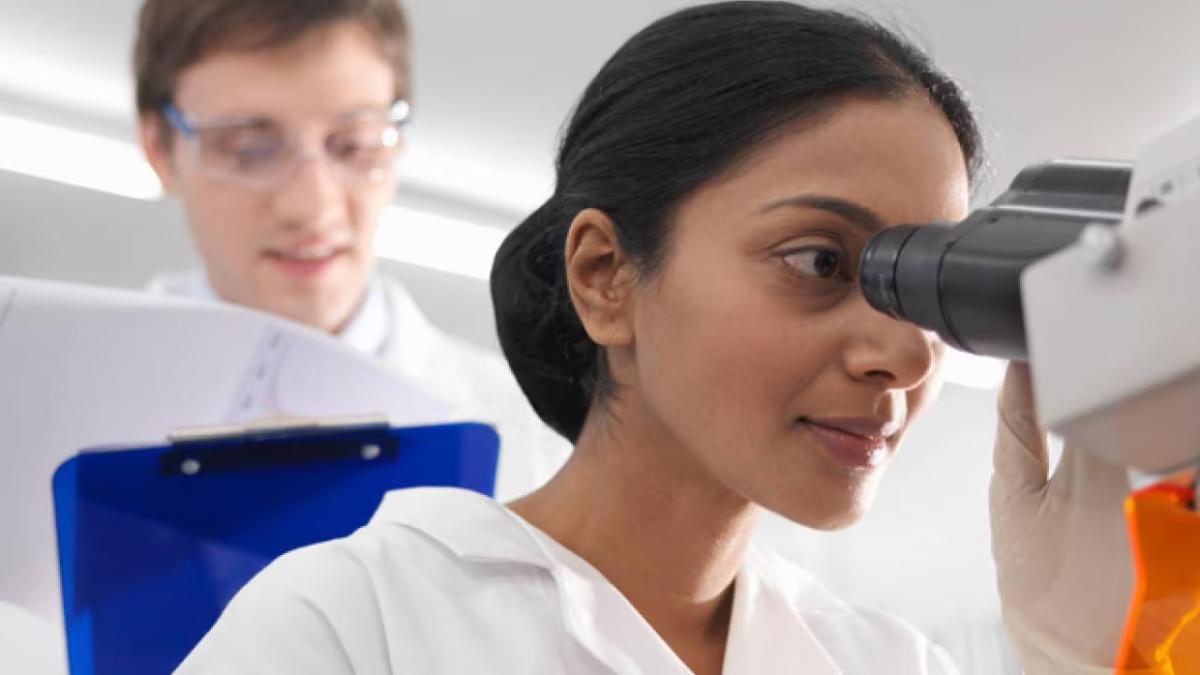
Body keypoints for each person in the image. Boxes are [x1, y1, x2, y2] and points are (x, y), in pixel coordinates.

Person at [175, 3, 1134, 673]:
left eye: (920, 288)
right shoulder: (353, 623)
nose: (907, 353)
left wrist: (1086, 659)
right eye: (819, 262)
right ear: (604, 276)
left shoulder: (881, 660)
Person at [133, 0, 569, 500]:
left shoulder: (535, 442)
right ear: (158, 149)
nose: (312, 205)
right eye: (247, 149)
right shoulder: (59, 405)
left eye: (355, 144)